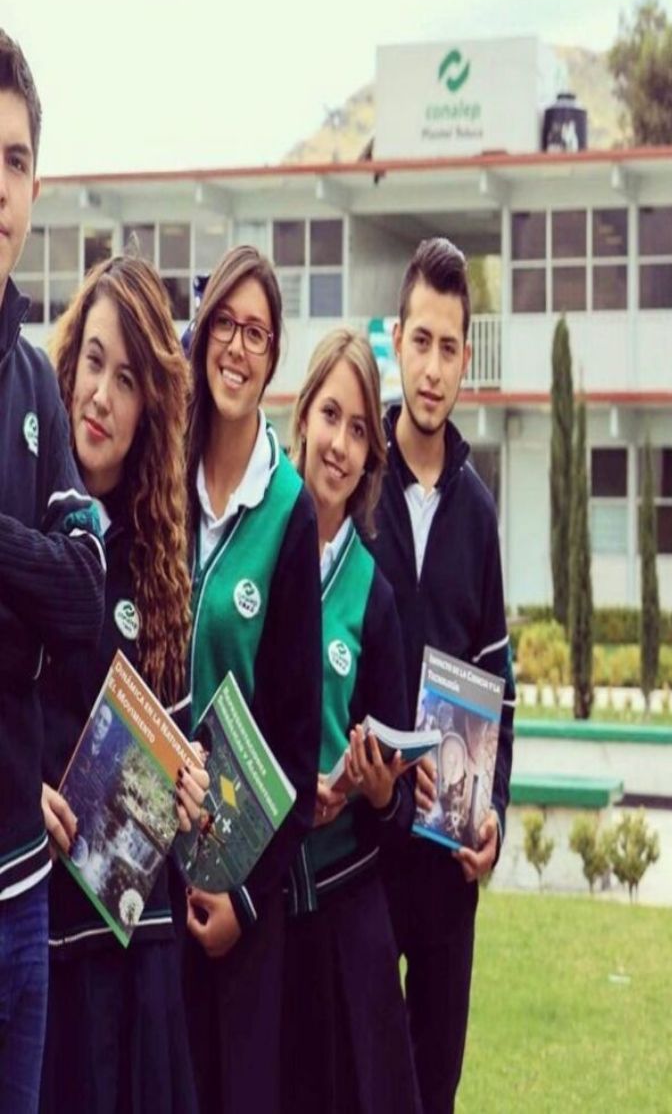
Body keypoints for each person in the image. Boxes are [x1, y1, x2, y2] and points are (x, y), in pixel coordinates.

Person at [39, 254, 208, 1114]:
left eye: (128, 379)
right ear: (68, 366)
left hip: (135, 956)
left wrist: (191, 788)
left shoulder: (160, 566)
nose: (101, 395)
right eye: (94, 363)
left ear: (151, 410)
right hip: (37, 939)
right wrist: (19, 786)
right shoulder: (25, 517)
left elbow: (175, 746)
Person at [365, 238, 515, 1114]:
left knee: (435, 1091)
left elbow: (500, 683)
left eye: (448, 347)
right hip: (361, 855)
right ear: (396, 340)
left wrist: (495, 817)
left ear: (465, 358)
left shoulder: (479, 512)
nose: (431, 367)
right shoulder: (355, 484)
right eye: (419, 341)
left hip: (446, 865)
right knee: (359, 1081)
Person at [182, 244, 322, 1114]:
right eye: (225, 325)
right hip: (142, 876)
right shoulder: (160, 474)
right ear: (201, 337)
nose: (237, 346)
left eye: (257, 333)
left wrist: (243, 895)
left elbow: (297, 746)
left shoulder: (289, 510)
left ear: (272, 360)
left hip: (238, 895)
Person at [0, 29, 105, 1114]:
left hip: (22, 897)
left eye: (16, 159)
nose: (0, 185)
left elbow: (82, 597)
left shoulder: (36, 384)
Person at [281, 328, 421, 1114]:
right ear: (303, 416)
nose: (339, 443)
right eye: (331, 415)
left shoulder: (374, 595)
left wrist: (376, 790)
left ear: (371, 456)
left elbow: (397, 811)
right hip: (261, 912)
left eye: (360, 428)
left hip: (348, 922)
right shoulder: (254, 547)